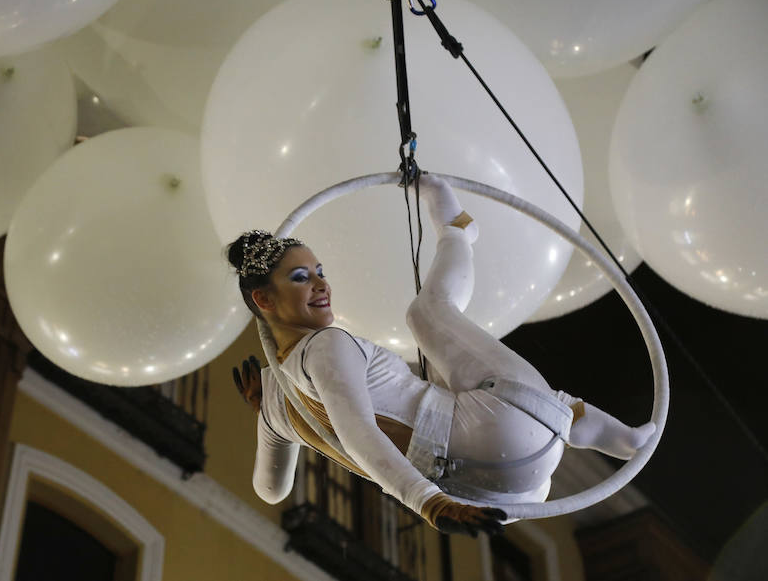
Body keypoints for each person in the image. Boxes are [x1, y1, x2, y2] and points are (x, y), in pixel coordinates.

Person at [228, 174, 656, 536]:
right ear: (264, 299)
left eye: (321, 272)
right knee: (426, 313)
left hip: (498, 487)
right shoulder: (326, 346)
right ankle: (457, 231)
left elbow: (271, 490)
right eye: (301, 277)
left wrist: (270, 416)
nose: (322, 285)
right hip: (498, 438)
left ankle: (600, 430)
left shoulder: (283, 400)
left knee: (443, 372)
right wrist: (429, 503)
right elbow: (358, 432)